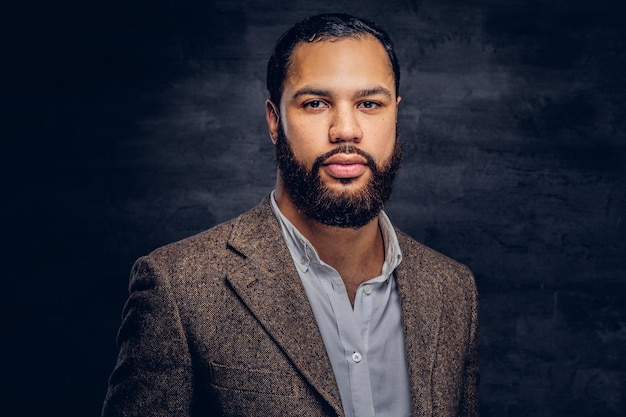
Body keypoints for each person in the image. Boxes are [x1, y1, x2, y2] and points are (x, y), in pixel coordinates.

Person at [102, 13, 479, 417]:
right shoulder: (178, 287)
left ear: (395, 114)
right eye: (315, 103)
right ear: (274, 120)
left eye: (370, 104)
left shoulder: (453, 290)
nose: (346, 130)